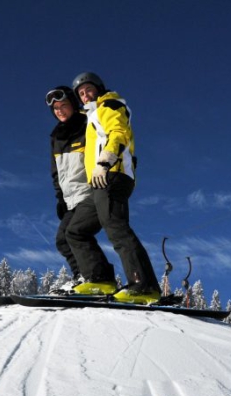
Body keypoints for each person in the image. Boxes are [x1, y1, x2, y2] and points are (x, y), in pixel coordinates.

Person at [66, 71, 161, 305]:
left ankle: (144, 286)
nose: (85, 95)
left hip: (112, 174)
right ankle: (100, 280)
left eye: (88, 89)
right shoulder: (91, 114)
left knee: (116, 227)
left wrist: (105, 161)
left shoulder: (108, 105)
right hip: (98, 182)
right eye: (81, 93)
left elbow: (119, 132)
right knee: (76, 230)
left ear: (98, 88)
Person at [45, 85, 99, 290]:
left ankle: (97, 277)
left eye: (63, 105)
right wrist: (60, 198)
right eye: (55, 108)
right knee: (62, 239)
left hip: (91, 190)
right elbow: (56, 171)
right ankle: (82, 277)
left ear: (73, 105)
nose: (59, 111)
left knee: (76, 233)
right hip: (70, 198)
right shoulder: (56, 137)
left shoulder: (88, 122)